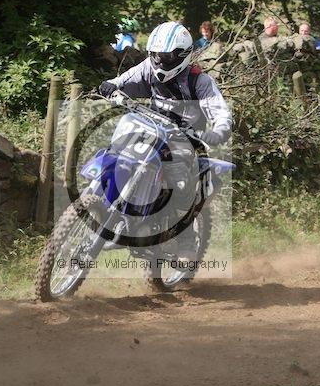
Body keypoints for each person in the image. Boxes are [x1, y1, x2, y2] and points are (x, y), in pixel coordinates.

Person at [98, 21, 233, 262]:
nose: (160, 61)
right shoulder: (148, 68)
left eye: (167, 56)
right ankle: (109, 206)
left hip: (185, 140)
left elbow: (220, 112)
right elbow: (123, 80)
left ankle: (185, 239)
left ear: (182, 55)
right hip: (151, 128)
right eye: (156, 55)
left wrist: (219, 131)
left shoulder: (199, 81)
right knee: (117, 151)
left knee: (179, 182)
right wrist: (111, 86)